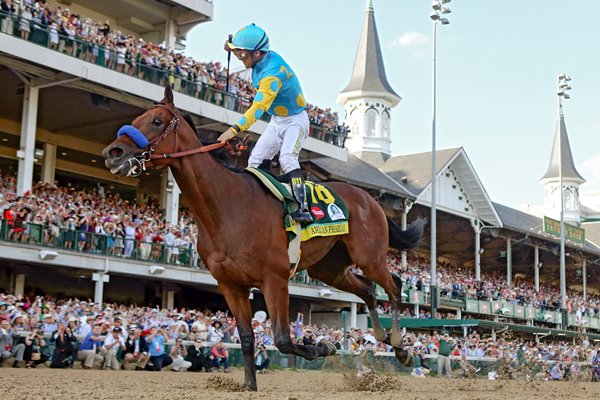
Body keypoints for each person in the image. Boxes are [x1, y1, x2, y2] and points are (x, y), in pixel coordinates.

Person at [218, 23, 313, 224]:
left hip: (296, 121)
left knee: (287, 158)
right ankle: (259, 202)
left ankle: (303, 208)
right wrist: (231, 46)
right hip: (277, 121)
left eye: (242, 55)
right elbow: (237, 46)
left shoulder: (272, 74)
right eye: (238, 54)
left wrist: (233, 130)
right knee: (254, 162)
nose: (239, 58)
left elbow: (258, 108)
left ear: (258, 53)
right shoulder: (261, 58)